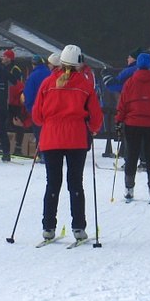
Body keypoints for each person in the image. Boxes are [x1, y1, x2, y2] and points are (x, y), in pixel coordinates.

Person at [32, 44, 103, 241]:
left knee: (52, 183)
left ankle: (48, 227)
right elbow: (96, 115)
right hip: (76, 138)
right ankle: (78, 227)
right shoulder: (85, 85)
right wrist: (93, 128)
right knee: (75, 183)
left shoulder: (47, 83)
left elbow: (37, 115)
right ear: (79, 64)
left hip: (51, 138)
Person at [115, 52, 150, 202]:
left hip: (132, 123)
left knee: (132, 155)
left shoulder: (130, 82)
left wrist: (118, 121)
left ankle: (128, 189)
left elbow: (123, 104)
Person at [23, 55, 51, 160]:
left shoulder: (33, 76)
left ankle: (42, 154)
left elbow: (28, 93)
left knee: (39, 132)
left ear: (33, 64)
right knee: (49, 132)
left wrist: (29, 108)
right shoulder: (50, 74)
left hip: (37, 108)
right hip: (50, 108)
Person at [1, 49, 26, 155]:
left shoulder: (15, 69)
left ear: (10, 58)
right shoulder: (2, 68)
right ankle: (3, 145)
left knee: (17, 123)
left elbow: (18, 85)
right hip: (6, 100)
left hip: (15, 102)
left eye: (5, 56)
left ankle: (18, 147)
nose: (2, 58)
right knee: (5, 123)